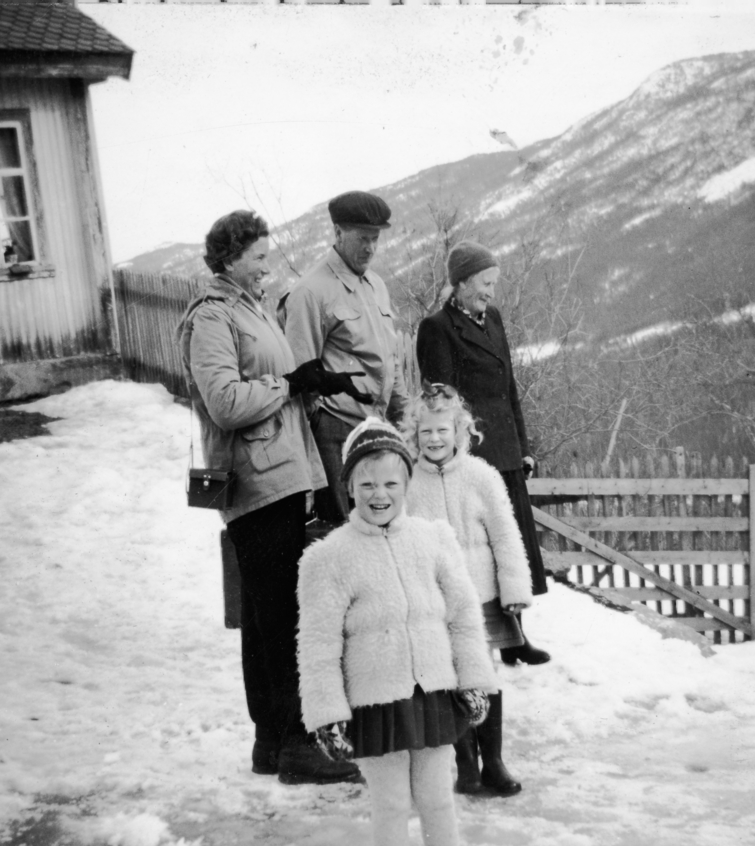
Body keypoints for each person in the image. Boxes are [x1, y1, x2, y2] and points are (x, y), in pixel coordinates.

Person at [177, 209, 371, 785]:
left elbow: (269, 381)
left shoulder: (249, 307)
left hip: (281, 473)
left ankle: (270, 743)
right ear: (230, 257)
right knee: (282, 616)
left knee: (265, 619)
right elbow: (225, 402)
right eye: (259, 256)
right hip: (257, 480)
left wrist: (307, 380)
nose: (267, 265)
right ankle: (296, 746)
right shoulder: (213, 317)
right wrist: (287, 384)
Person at [296, 418, 498, 846]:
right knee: (389, 803)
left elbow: (464, 616)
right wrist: (328, 714)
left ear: (407, 482)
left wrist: (474, 679)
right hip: (374, 704)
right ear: (349, 487)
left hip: (433, 694)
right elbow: (318, 645)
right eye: (366, 484)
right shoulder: (328, 558)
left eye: (390, 482)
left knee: (436, 798)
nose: (379, 494)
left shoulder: (433, 540)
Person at [416, 240, 552, 668]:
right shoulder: (436, 328)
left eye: (494, 283)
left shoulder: (492, 319)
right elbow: (443, 401)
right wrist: (458, 450)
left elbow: (509, 388)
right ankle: (479, 638)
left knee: (511, 547)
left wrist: (524, 447)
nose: (492, 292)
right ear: (461, 282)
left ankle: (514, 636)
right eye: (485, 282)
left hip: (506, 449)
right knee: (479, 550)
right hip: (474, 453)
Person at [402, 385, 534, 797]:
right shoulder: (406, 482)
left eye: (443, 430)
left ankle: (493, 762)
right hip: (437, 601)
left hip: (482, 597)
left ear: (460, 431)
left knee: (483, 675)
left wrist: (515, 587)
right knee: (449, 679)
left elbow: (506, 534)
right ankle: (465, 766)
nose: (435, 439)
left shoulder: (482, 476)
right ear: (414, 435)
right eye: (426, 433)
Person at [279, 190, 410, 525]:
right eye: (362, 238)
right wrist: (314, 443)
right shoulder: (311, 291)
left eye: (375, 239)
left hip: (376, 427)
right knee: (344, 531)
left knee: (380, 526)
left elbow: (389, 357)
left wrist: (404, 414)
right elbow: (300, 377)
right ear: (337, 233)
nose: (370, 248)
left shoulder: (376, 285)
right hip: (335, 430)